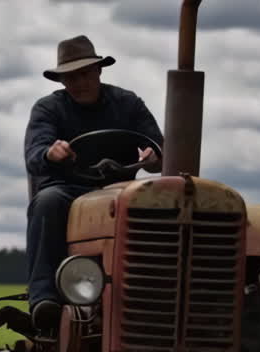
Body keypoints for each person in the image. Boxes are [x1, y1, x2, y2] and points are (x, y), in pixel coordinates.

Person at [23, 35, 164, 330]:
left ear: (99, 71)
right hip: (68, 190)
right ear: (61, 81)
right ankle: (44, 298)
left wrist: (154, 156)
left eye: (85, 73)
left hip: (122, 191)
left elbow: (162, 150)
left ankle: (159, 295)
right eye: (70, 77)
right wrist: (51, 152)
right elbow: (35, 154)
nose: (79, 82)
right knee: (47, 201)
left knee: (162, 202)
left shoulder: (127, 104)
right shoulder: (48, 109)